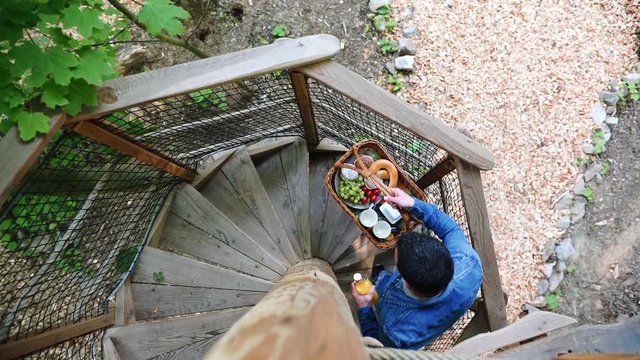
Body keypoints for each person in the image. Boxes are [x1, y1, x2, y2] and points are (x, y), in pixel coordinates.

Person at [351, 187, 483, 350]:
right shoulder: (469, 262)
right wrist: (413, 204)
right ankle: (379, 276)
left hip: (395, 315)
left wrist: (364, 308)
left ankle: (379, 278)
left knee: (378, 279)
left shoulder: (395, 332)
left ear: (406, 283)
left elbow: (377, 348)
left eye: (397, 260)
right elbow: (450, 230)